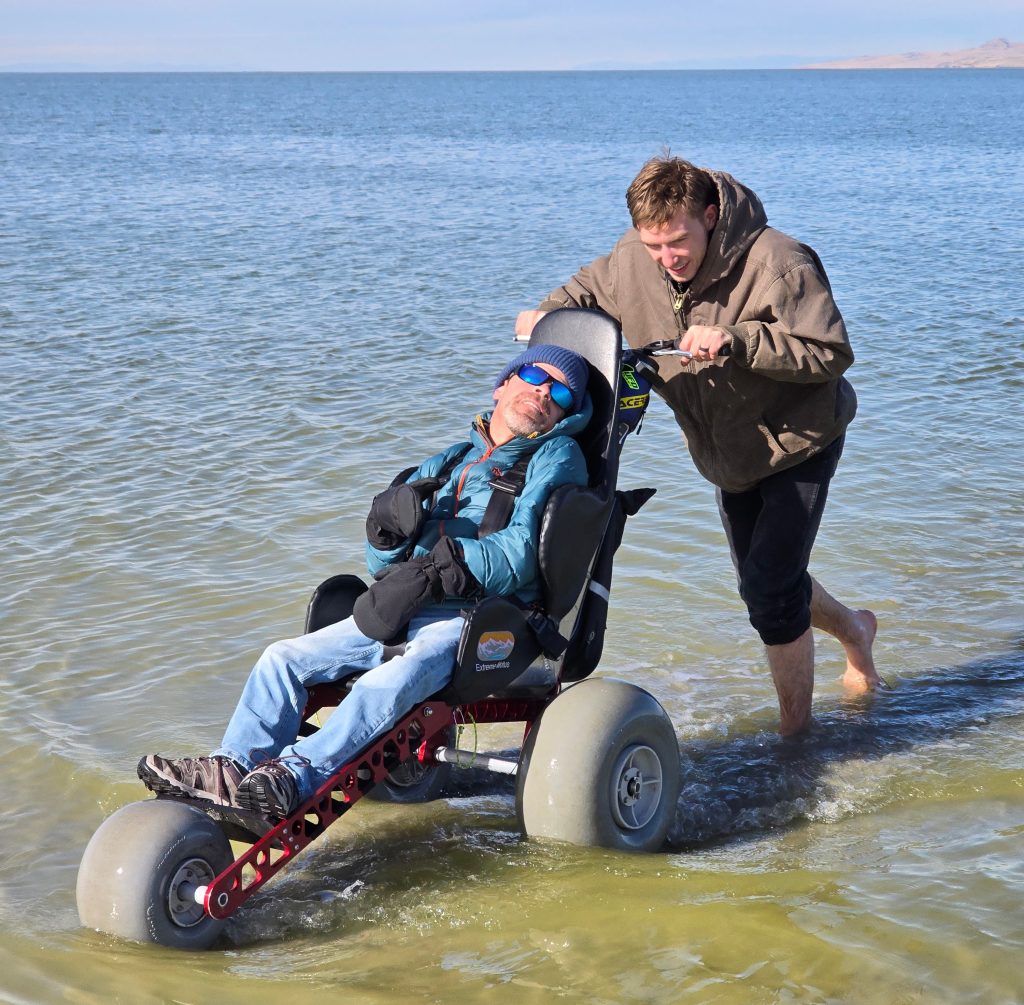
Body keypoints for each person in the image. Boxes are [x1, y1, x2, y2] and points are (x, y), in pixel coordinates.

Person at [138, 344, 592, 817]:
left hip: (483, 619)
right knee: (282, 659)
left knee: (391, 679)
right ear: (503, 385)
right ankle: (231, 767)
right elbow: (381, 565)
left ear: (564, 412)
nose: (544, 391)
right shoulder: (454, 458)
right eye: (535, 376)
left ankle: (295, 776)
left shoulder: (557, 456)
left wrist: (445, 567)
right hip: (409, 598)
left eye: (560, 391)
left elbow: (522, 554)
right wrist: (385, 534)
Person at [516, 155, 883, 736]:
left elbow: (831, 353)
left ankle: (797, 739)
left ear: (710, 216)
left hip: (800, 440)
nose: (668, 259)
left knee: (769, 587)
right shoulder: (631, 260)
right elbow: (581, 294)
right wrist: (545, 314)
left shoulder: (779, 262)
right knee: (766, 584)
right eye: (654, 245)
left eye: (679, 242)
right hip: (726, 453)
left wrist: (739, 340)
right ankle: (855, 631)